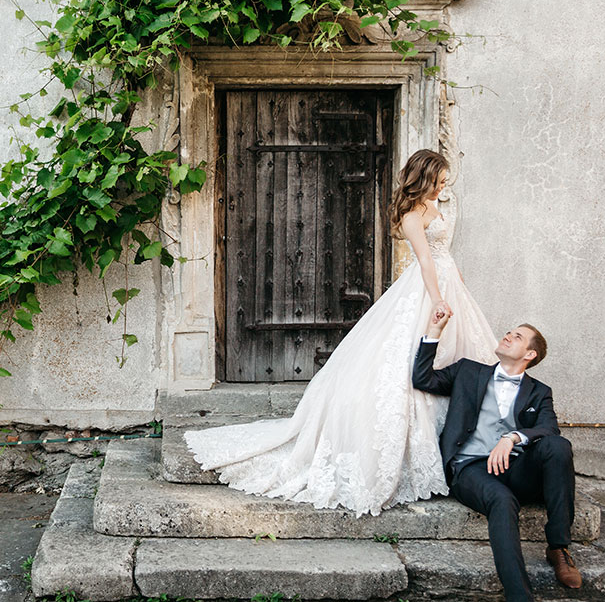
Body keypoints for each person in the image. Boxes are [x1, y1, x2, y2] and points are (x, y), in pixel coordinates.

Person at [183, 148, 499, 516]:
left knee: (458, 356)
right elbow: (426, 260)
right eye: (439, 180)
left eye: (446, 182)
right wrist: (439, 300)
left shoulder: (435, 206)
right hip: (428, 289)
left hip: (450, 285)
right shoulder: (413, 215)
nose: (444, 187)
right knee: (405, 360)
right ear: (424, 178)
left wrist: (458, 287)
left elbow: (446, 256)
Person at [413, 311, 581, 601]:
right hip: (471, 468)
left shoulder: (540, 392)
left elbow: (549, 428)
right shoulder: (468, 371)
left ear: (529, 354)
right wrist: (434, 331)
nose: (507, 336)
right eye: (508, 331)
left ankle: (558, 548)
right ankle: (520, 597)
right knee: (502, 501)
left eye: (517, 336)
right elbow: (422, 379)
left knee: (558, 446)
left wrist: (513, 436)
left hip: (516, 467)